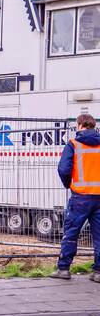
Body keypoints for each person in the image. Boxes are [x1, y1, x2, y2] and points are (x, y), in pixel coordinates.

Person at [51, 113, 100, 282]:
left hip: (80, 197)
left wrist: (68, 184)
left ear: (79, 125)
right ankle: (99, 272)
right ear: (94, 126)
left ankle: (63, 269)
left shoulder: (73, 144)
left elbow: (63, 169)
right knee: (99, 236)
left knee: (71, 234)